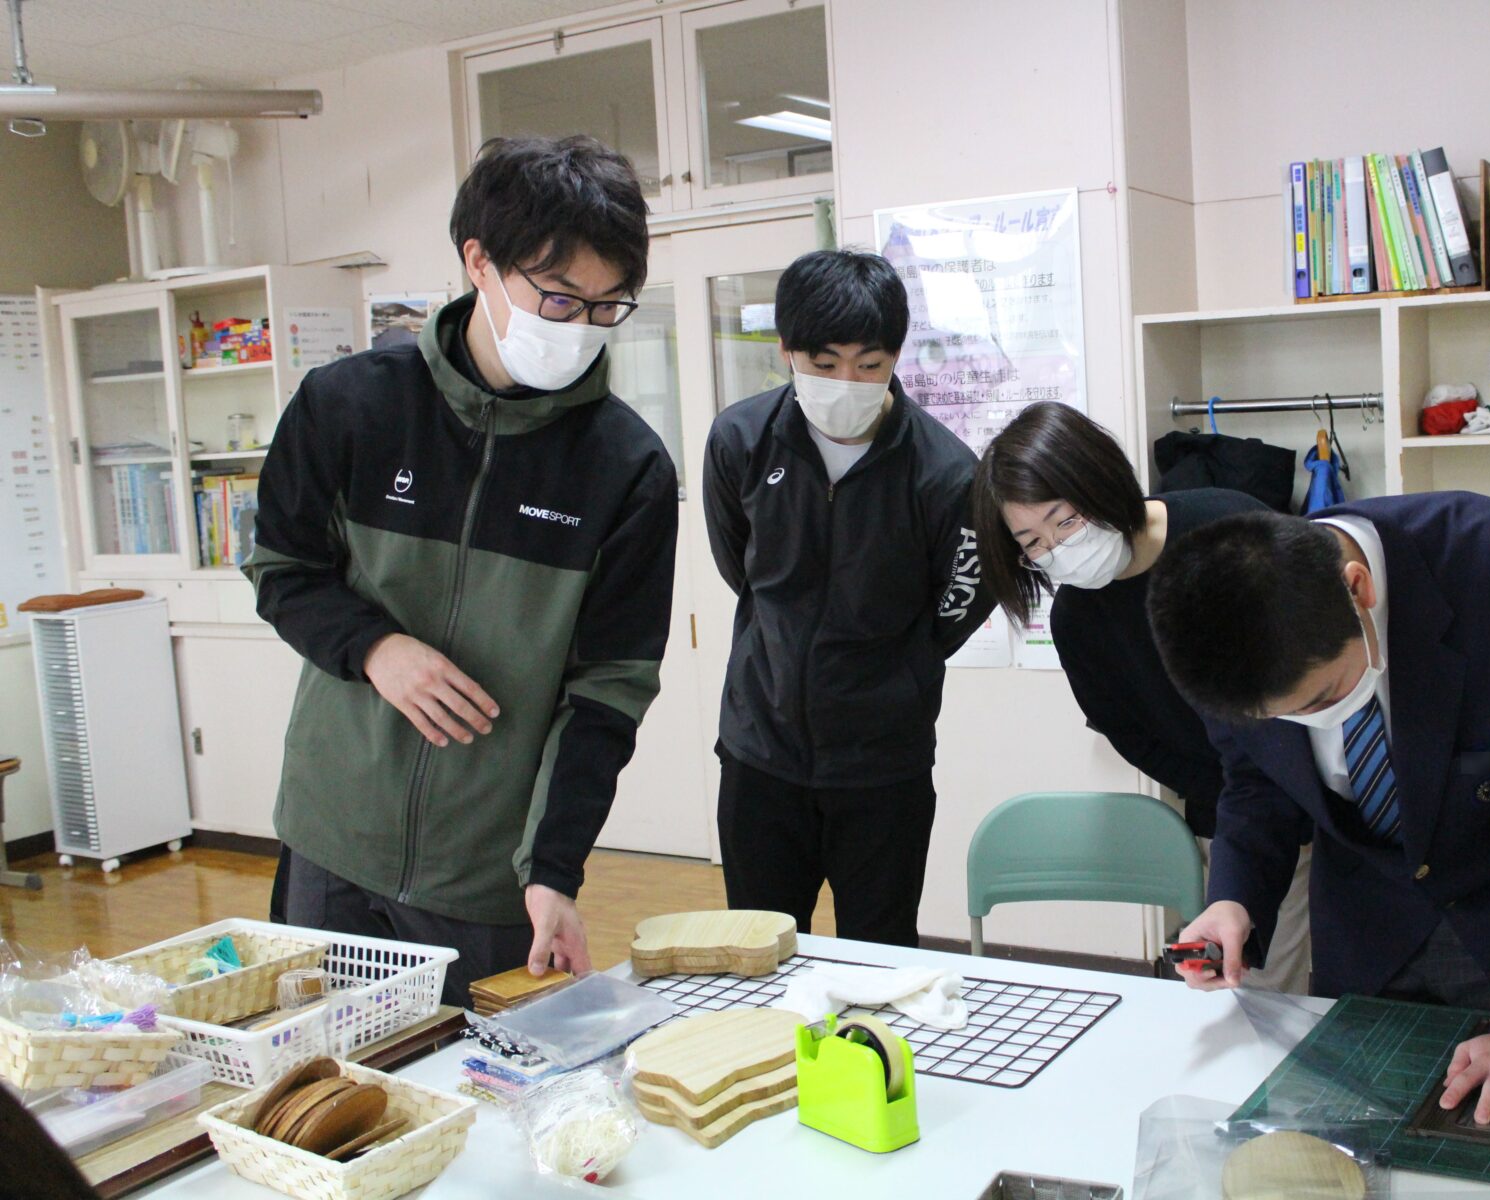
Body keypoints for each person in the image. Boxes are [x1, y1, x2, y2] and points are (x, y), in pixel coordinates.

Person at [247, 135, 678, 1007]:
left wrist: (553, 870)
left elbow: (608, 692)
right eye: (558, 299)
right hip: (333, 842)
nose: (580, 329)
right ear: (479, 261)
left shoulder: (626, 468)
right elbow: (281, 568)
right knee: (318, 1105)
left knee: (477, 1113)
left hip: (486, 876)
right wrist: (375, 648)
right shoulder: (351, 406)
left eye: (608, 307)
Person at [1147, 493, 1490, 1127]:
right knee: (1364, 1142)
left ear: (1357, 588)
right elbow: (1256, 782)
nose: (1304, 723)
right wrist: (1236, 898)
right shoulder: (1213, 630)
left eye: (1322, 697)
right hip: (1370, 931)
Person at [701, 248, 993, 948]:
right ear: (787, 352)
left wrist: (895, 673)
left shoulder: (947, 473)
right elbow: (740, 568)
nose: (847, 382)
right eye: (824, 364)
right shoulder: (741, 440)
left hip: (882, 767)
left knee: (881, 954)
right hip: (760, 755)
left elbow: (957, 605)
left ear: (896, 357)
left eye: (869, 365)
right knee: (759, 950)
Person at [968, 401, 1310, 992]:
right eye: (1032, 541)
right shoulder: (1078, 620)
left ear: (1100, 482)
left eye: (1065, 520)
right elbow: (1128, 732)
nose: (1055, 547)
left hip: (1329, 789)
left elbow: (1319, 651)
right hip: (1232, 815)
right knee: (1251, 989)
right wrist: (1218, 788)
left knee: (1345, 980)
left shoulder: (1225, 525)